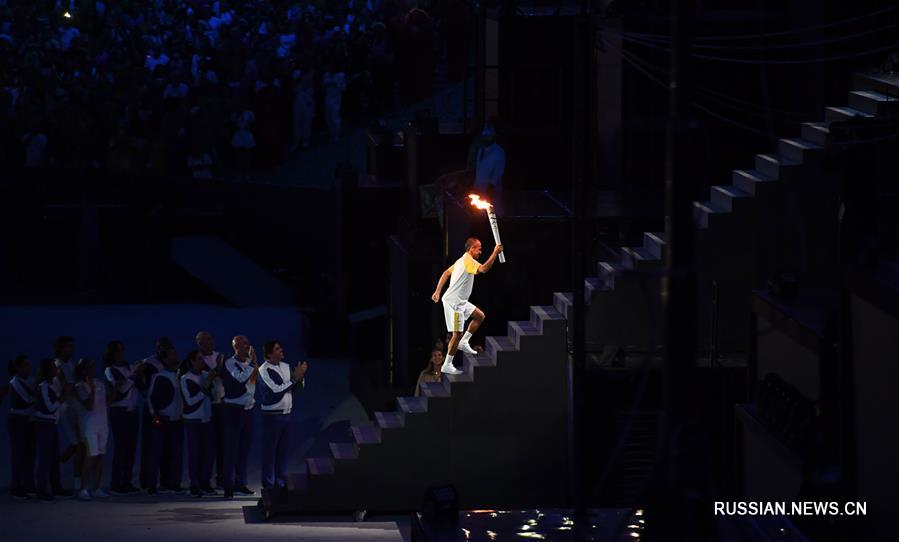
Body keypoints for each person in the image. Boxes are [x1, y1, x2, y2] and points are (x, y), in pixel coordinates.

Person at [431, 237, 503, 375]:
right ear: (471, 249)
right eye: (479, 248)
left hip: (460, 301)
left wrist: (437, 291)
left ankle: (464, 342)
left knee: (479, 316)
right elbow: (483, 269)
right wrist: (495, 253)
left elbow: (446, 273)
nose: (480, 252)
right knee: (457, 334)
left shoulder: (461, 260)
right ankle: (447, 364)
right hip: (455, 302)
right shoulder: (468, 261)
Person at [258, 340, 308, 491]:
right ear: (269, 354)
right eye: (277, 349)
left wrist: (300, 377)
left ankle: (279, 482)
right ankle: (268, 485)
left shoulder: (286, 366)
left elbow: (295, 388)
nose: (281, 350)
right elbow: (275, 391)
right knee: (270, 452)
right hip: (272, 416)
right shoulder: (263, 370)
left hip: (286, 415)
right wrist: (295, 379)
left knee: (283, 451)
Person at [221, 335, 259, 499]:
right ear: (235, 347)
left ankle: (240, 483)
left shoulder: (250, 364)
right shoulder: (230, 363)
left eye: (248, 344)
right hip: (234, 410)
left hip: (248, 410)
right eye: (243, 345)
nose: (247, 347)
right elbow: (241, 378)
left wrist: (254, 366)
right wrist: (252, 364)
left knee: (244, 448)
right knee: (231, 449)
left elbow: (253, 382)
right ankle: (228, 486)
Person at [103, 341, 142, 495]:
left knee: (130, 448)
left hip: (132, 411)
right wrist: (133, 375)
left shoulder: (126, 367)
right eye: (119, 350)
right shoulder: (110, 370)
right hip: (120, 412)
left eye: (122, 349)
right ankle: (116, 482)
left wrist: (137, 374)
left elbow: (135, 385)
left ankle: (126, 481)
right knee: (121, 448)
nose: (122, 353)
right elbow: (120, 392)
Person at [33, 359, 73, 502]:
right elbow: (49, 407)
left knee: (54, 458)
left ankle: (56, 488)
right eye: (53, 368)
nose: (56, 370)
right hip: (44, 424)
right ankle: (41, 491)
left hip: (51, 424)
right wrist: (63, 397)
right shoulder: (43, 386)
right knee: (44, 459)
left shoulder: (51, 385)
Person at [147, 345, 184, 495]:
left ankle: (172, 483)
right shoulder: (159, 376)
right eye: (172, 354)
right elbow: (150, 397)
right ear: (165, 359)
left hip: (177, 420)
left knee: (175, 453)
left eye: (175, 354)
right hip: (163, 419)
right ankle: (153, 485)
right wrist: (154, 414)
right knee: (157, 452)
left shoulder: (178, 375)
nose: (175, 357)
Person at [181, 350, 216, 498]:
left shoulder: (205, 375)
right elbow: (190, 401)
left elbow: (213, 395)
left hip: (207, 420)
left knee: (208, 454)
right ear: (192, 362)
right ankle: (194, 483)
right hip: (193, 421)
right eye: (200, 359)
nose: (203, 362)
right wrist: (205, 388)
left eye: (203, 359)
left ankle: (205, 482)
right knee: (195, 453)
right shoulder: (185, 378)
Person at [137, 337, 170, 491]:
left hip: (168, 410)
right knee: (151, 448)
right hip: (153, 409)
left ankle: (166, 481)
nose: (164, 349)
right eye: (161, 346)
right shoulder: (149, 362)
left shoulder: (170, 363)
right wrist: (144, 392)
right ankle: (148, 482)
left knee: (166, 448)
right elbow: (138, 377)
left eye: (167, 346)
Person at [74, 358, 109, 501]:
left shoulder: (100, 383)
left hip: (103, 423)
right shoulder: (79, 386)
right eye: (89, 367)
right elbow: (88, 405)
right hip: (89, 425)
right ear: (83, 370)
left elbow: (107, 402)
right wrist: (92, 390)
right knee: (91, 455)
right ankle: (82, 488)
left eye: (93, 367)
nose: (92, 370)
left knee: (100, 455)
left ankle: (96, 487)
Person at [53, 336, 85, 487]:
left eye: (71, 347)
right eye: (67, 347)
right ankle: (76, 481)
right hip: (66, 408)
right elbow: (66, 387)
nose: (71, 350)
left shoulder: (70, 364)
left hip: (75, 407)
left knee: (79, 444)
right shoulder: (58, 365)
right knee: (78, 443)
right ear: (60, 349)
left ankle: (73, 477)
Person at [195, 331, 225, 490]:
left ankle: (222, 479)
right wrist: (217, 369)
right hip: (206, 406)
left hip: (222, 404)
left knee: (223, 444)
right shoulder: (196, 359)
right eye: (203, 341)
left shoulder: (221, 356)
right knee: (207, 446)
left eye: (209, 339)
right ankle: (203, 480)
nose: (207, 343)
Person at [7, 355, 36, 500]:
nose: (28, 367)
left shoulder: (30, 380)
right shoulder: (15, 382)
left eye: (29, 364)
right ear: (18, 367)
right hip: (18, 420)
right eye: (25, 365)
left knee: (29, 454)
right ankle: (16, 487)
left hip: (28, 420)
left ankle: (28, 485)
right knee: (18, 454)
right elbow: (27, 400)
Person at [473, 126, 505, 197]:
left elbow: (499, 171)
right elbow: (479, 168)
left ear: (493, 137)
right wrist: (475, 184)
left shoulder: (498, 151)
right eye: (484, 136)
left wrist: (491, 186)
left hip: (491, 189)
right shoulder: (481, 150)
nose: (486, 139)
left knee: (493, 206)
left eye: (488, 137)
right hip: (479, 186)